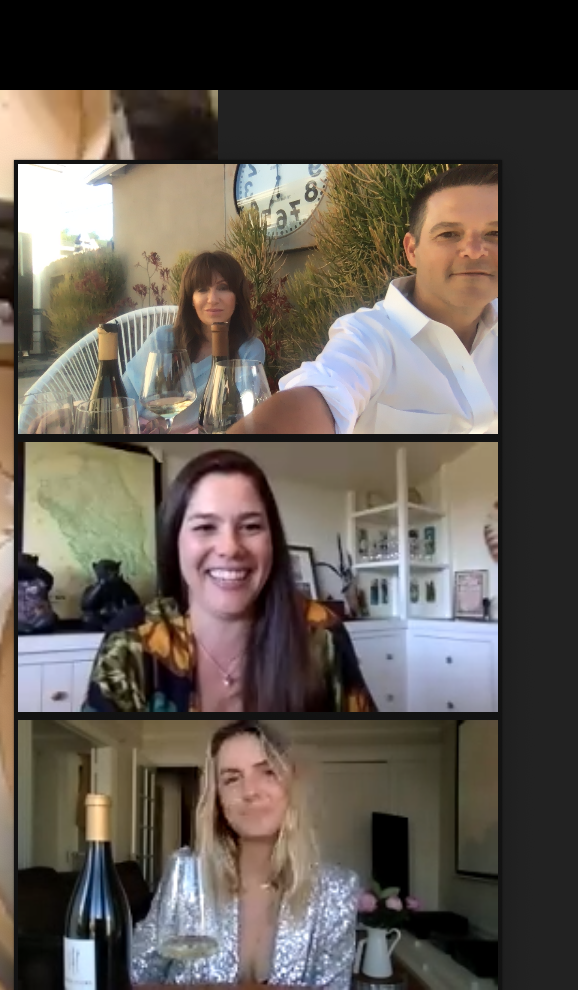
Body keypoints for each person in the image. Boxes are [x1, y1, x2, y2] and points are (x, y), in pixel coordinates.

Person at [80, 450, 376, 715]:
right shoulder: (131, 639)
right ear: (175, 541)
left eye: (250, 526)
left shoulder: (321, 632)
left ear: (273, 541)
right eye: (205, 527)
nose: (230, 548)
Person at [231, 165, 497, 436]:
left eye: (495, 234)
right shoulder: (369, 339)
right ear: (412, 250)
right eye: (449, 234)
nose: (475, 251)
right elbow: (326, 390)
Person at [127, 721, 366, 990]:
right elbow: (135, 975)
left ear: (292, 784)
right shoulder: (187, 876)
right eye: (232, 779)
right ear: (218, 799)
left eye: (268, 772)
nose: (250, 791)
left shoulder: (337, 890)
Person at [128, 250, 269, 432]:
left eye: (223, 287)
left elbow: (238, 417)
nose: (213, 299)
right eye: (202, 289)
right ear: (191, 300)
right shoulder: (162, 340)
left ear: (237, 298)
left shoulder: (249, 350)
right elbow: (123, 402)